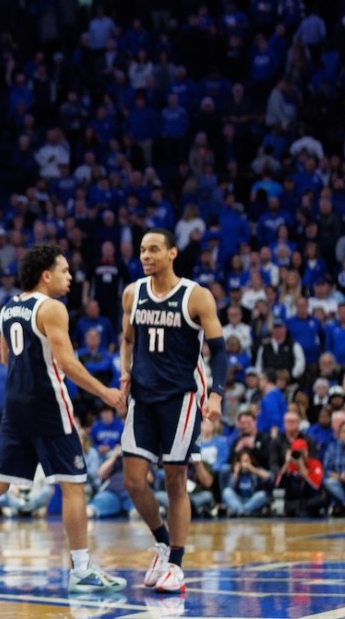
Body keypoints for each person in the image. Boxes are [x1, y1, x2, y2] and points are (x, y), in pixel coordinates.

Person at [0, 244, 127, 595]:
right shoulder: (52, 308)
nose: (70, 276)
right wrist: (106, 393)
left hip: (15, 405)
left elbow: (6, 358)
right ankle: (81, 570)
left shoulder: (8, 309)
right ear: (46, 274)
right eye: (65, 271)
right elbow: (67, 364)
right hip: (49, 404)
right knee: (72, 484)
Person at [119, 228, 226, 594]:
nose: (145, 256)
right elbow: (127, 340)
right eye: (142, 250)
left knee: (175, 480)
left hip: (181, 397)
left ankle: (177, 564)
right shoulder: (133, 293)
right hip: (143, 397)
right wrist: (123, 376)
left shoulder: (195, 295)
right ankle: (162, 541)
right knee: (133, 480)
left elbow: (220, 350)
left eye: (153, 250)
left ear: (172, 253)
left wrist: (217, 394)